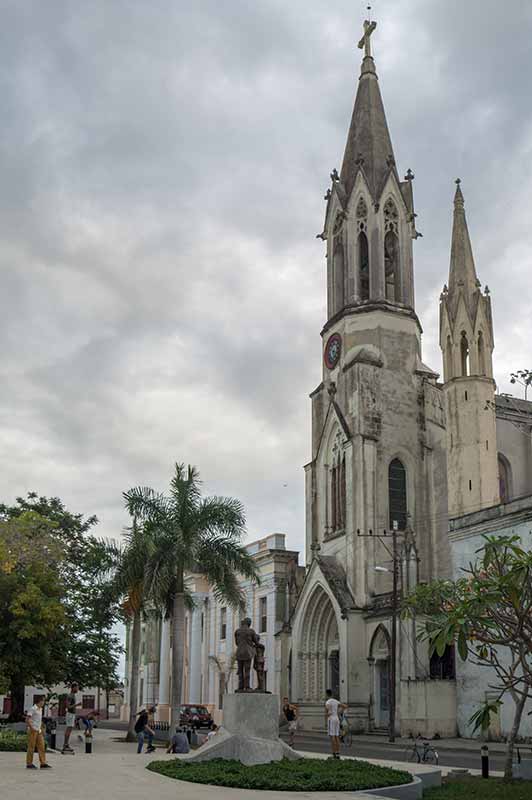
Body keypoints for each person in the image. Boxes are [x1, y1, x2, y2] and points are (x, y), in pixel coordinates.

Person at [26, 696, 51, 769]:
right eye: (43, 701)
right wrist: (31, 728)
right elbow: (27, 719)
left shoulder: (40, 709)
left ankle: (43, 763)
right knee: (31, 747)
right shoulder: (33, 709)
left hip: (38, 730)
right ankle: (29, 763)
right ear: (39, 701)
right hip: (32, 730)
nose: (44, 703)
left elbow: (39, 720)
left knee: (42, 746)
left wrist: (42, 728)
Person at [325, 688, 346, 760]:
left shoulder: (328, 702)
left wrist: (327, 715)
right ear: (332, 694)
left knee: (332, 737)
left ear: (327, 694)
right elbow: (345, 706)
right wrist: (339, 712)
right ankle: (338, 753)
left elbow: (328, 711)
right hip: (337, 719)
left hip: (331, 719)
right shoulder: (336, 701)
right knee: (337, 736)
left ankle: (334, 754)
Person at [62, 682, 81, 754]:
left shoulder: (72, 695)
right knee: (68, 729)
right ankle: (65, 745)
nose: (78, 689)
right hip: (70, 714)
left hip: (72, 714)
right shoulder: (70, 696)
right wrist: (77, 704)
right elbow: (68, 706)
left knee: (69, 729)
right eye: (77, 687)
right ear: (73, 688)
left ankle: (66, 744)